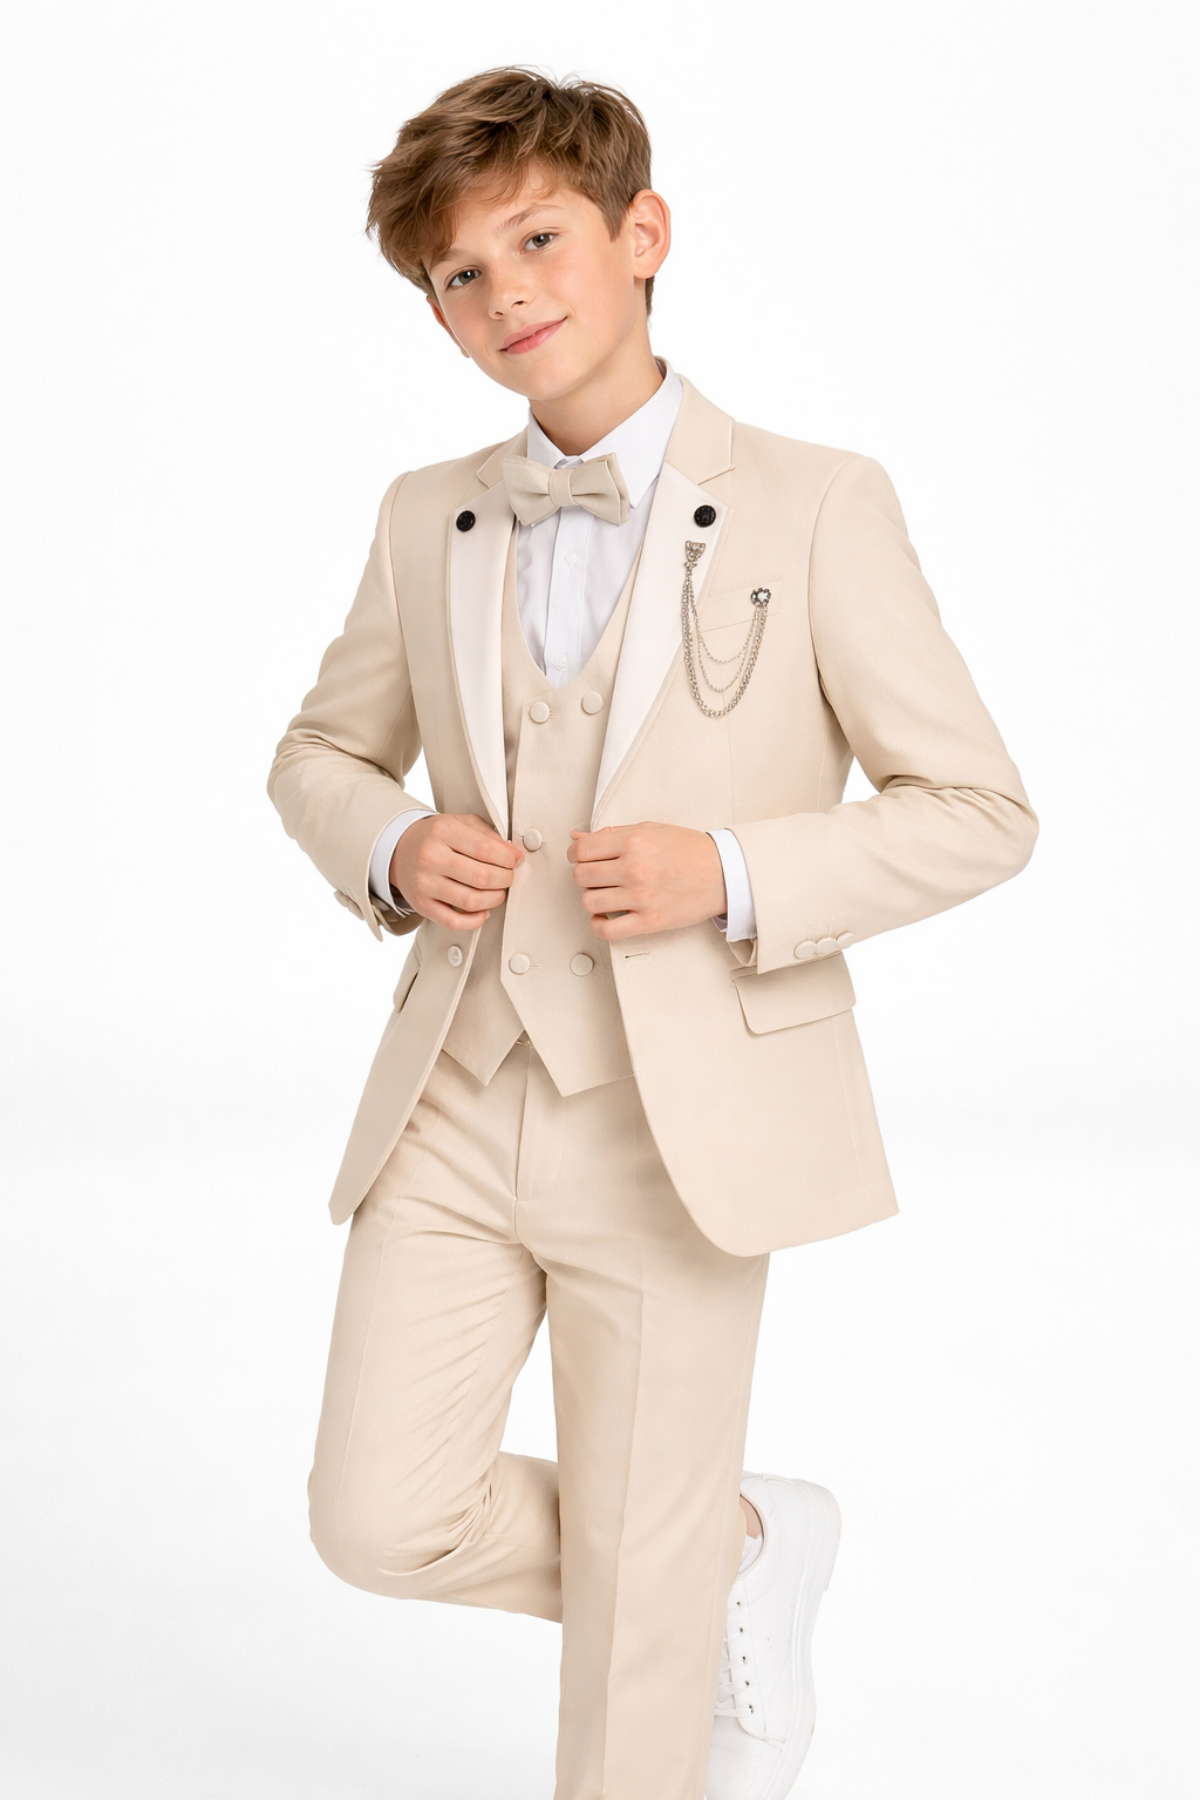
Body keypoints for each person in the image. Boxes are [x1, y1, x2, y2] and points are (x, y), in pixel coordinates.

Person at [268, 67, 1036, 1800]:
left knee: (635, 1644)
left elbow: (980, 808)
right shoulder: (426, 512)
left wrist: (736, 872)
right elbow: (318, 753)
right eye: (460, 275)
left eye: (539, 240)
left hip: (676, 1120)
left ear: (642, 235)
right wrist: (391, 842)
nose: (505, 294)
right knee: (376, 1515)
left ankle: (678, 1562)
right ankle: (735, 1545)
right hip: (454, 1093)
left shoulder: (818, 502)